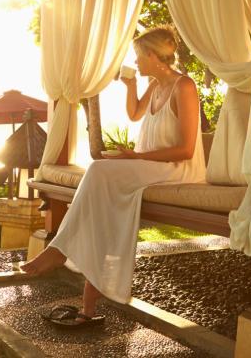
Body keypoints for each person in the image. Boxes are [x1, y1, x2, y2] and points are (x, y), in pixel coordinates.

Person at [22, 26, 207, 326]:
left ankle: (59, 249)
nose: (135, 63)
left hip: (177, 169)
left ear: (151, 55)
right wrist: (130, 86)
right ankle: (88, 304)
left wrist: (135, 157)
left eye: (138, 57)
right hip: (150, 165)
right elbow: (134, 114)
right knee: (101, 203)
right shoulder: (157, 84)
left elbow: (186, 150)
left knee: (98, 171)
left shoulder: (183, 87)